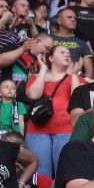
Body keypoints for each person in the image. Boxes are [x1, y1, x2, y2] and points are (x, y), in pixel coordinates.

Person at [25, 45, 83, 177]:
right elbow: (33, 95)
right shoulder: (35, 77)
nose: (67, 55)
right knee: (40, 176)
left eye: (68, 53)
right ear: (50, 58)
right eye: (62, 52)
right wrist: (43, 69)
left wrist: (74, 75)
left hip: (67, 129)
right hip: (37, 130)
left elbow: (77, 101)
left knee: (65, 176)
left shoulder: (77, 79)